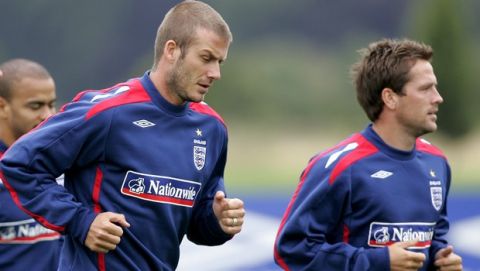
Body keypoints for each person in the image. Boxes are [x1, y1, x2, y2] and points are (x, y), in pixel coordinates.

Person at [0, 1, 245, 270]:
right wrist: (82, 222)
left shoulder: (212, 128)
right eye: (206, 58)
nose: (215, 73)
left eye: (219, 62)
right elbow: (19, 165)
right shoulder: (108, 112)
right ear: (172, 50)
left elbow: (198, 224)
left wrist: (218, 221)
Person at [274, 39, 463, 271]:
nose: (438, 98)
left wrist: (441, 261)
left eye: (435, 87)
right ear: (390, 97)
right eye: (425, 88)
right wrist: (378, 261)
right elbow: (292, 249)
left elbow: (434, 240)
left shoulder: (437, 162)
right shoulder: (340, 166)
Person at [0, 58, 62, 270]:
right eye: (35, 106)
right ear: (2, 107)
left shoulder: (62, 166)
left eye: (51, 104)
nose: (48, 116)